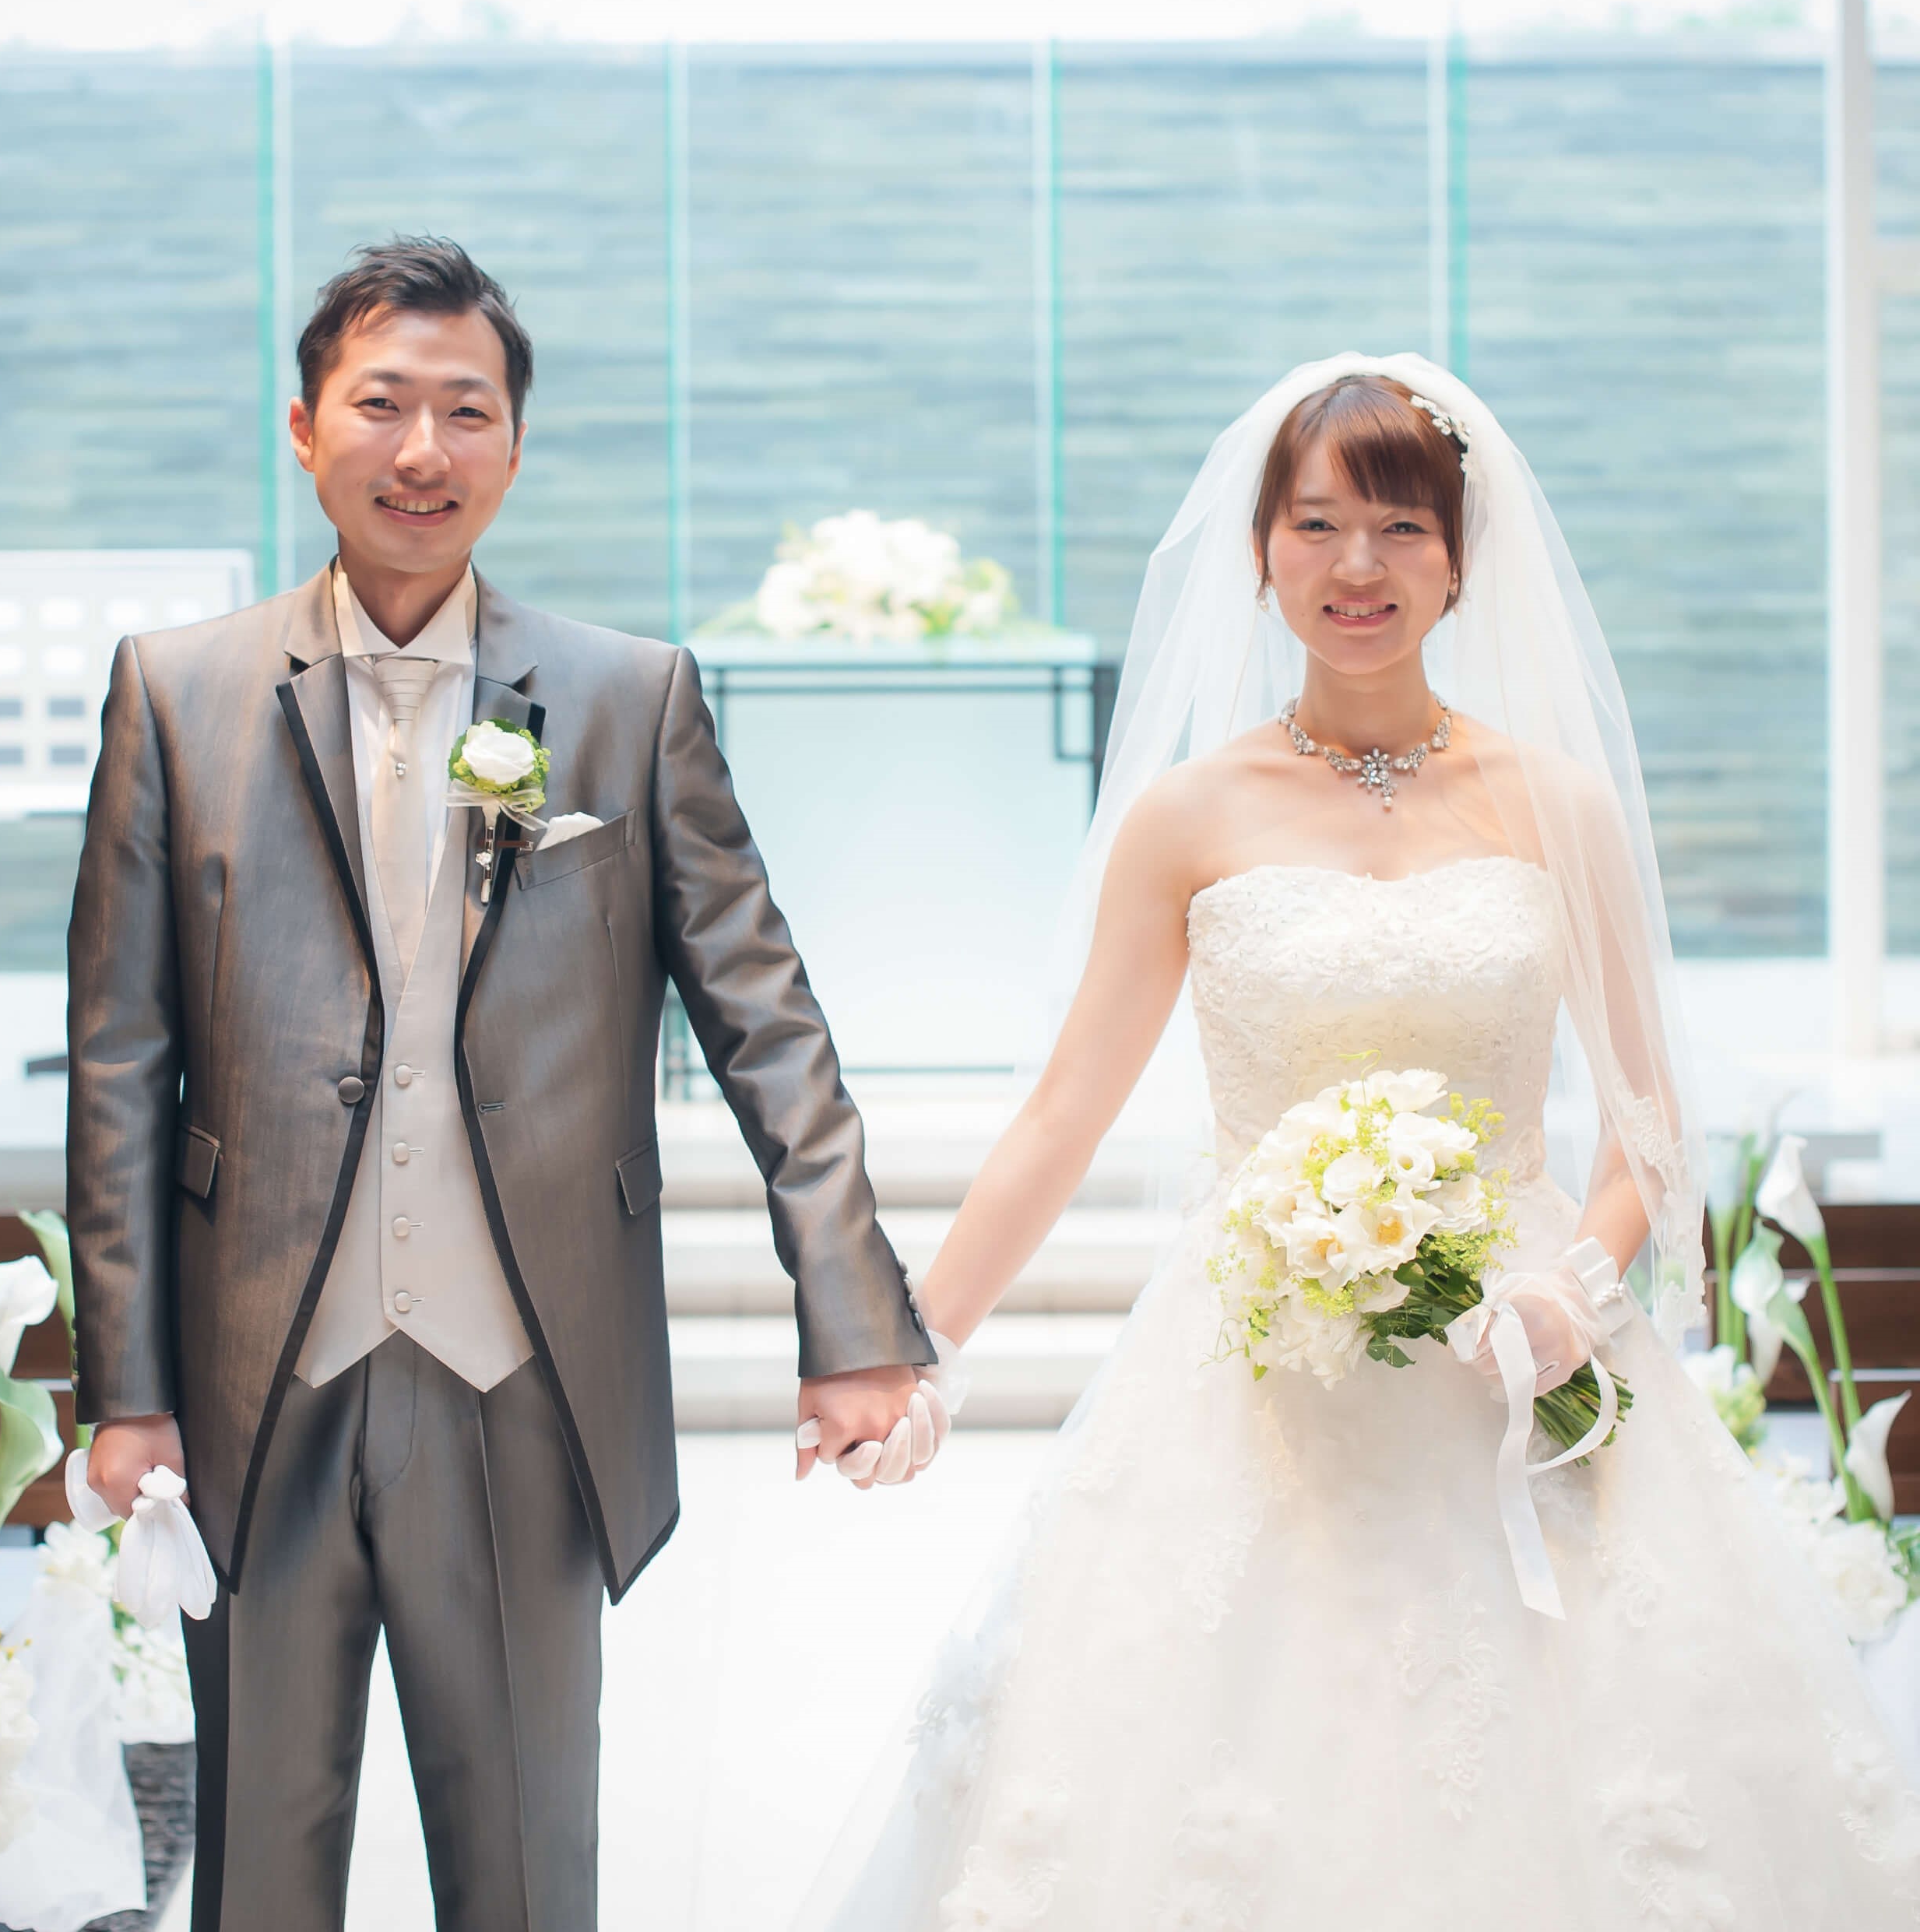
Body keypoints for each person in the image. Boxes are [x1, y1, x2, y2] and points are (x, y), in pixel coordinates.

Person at [800, 357, 1920, 1929]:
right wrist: (909, 1348)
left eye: (1400, 526)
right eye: (1317, 525)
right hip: (1261, 1371)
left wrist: (1571, 1292)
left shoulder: (1559, 806)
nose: (1357, 566)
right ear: (1261, 554)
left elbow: (1647, 1131)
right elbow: (1064, 1112)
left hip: (1516, 1363)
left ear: (1461, 558)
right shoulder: (1188, 818)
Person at [65, 235, 945, 1932]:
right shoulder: (175, 694)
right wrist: (130, 1385)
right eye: (381, 405)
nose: (424, 450)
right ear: (305, 430)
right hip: (258, 1375)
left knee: (531, 1871)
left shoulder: (624, 697)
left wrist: (854, 1318)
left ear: (516, 448)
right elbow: (120, 1062)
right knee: (256, 1872)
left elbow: (766, 1018)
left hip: (522, 1367)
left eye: (467, 411)